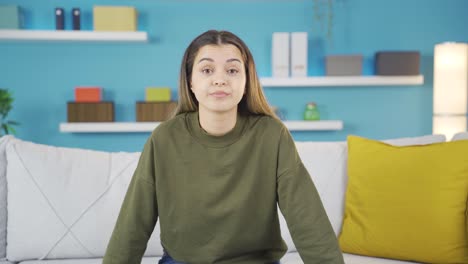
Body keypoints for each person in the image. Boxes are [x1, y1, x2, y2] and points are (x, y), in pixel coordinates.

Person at [103, 30, 344, 264]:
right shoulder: (164, 138)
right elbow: (132, 224)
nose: (220, 79)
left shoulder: (272, 135)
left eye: (232, 70)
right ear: (190, 82)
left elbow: (307, 219)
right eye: (207, 70)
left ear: (246, 81)